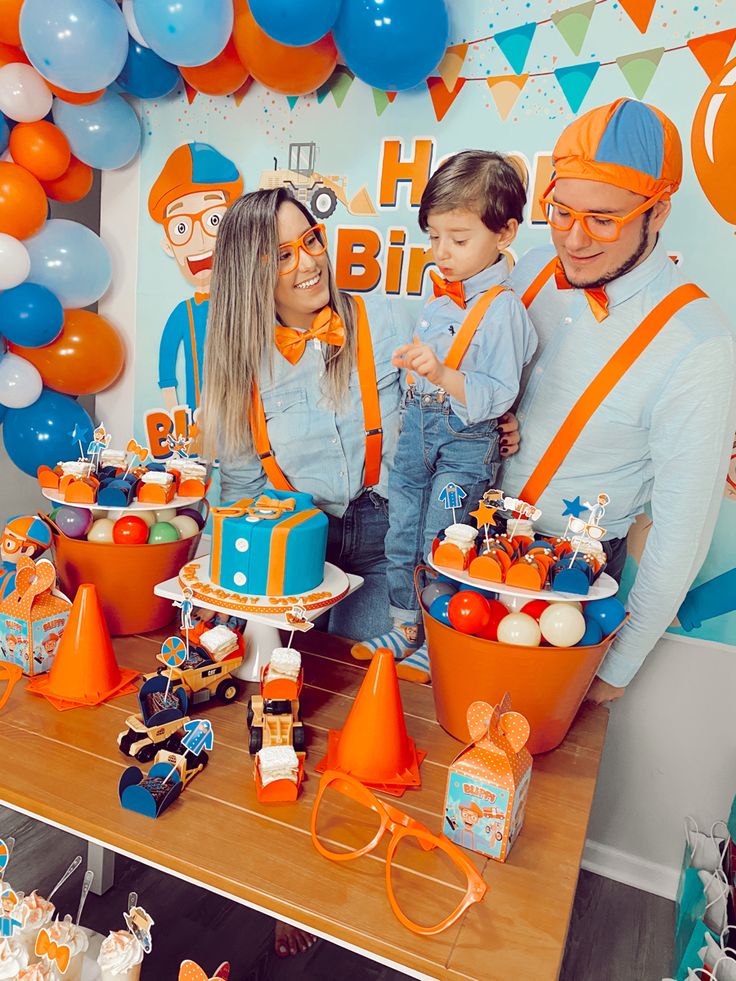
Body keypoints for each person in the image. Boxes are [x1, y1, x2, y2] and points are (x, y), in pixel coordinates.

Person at [504, 97, 736, 704]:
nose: (574, 240)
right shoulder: (529, 272)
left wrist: (613, 671)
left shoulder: (699, 343)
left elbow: (682, 533)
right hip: (464, 544)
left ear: (657, 212)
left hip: (568, 586)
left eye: (603, 220)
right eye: (560, 211)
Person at [351, 151, 536, 683]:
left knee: (447, 537)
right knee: (402, 528)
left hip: (463, 439)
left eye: (458, 239)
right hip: (418, 430)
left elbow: (497, 394)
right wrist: (413, 367)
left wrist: (439, 374)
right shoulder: (438, 297)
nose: (442, 253)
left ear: (504, 233)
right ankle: (404, 625)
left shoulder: (503, 309)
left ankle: (441, 637)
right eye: (434, 238)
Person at [148, 142, 243, 416]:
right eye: (182, 227)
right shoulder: (184, 314)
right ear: (169, 244)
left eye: (214, 220)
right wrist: (176, 415)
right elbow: (166, 366)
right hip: (197, 418)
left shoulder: (246, 306)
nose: (200, 238)